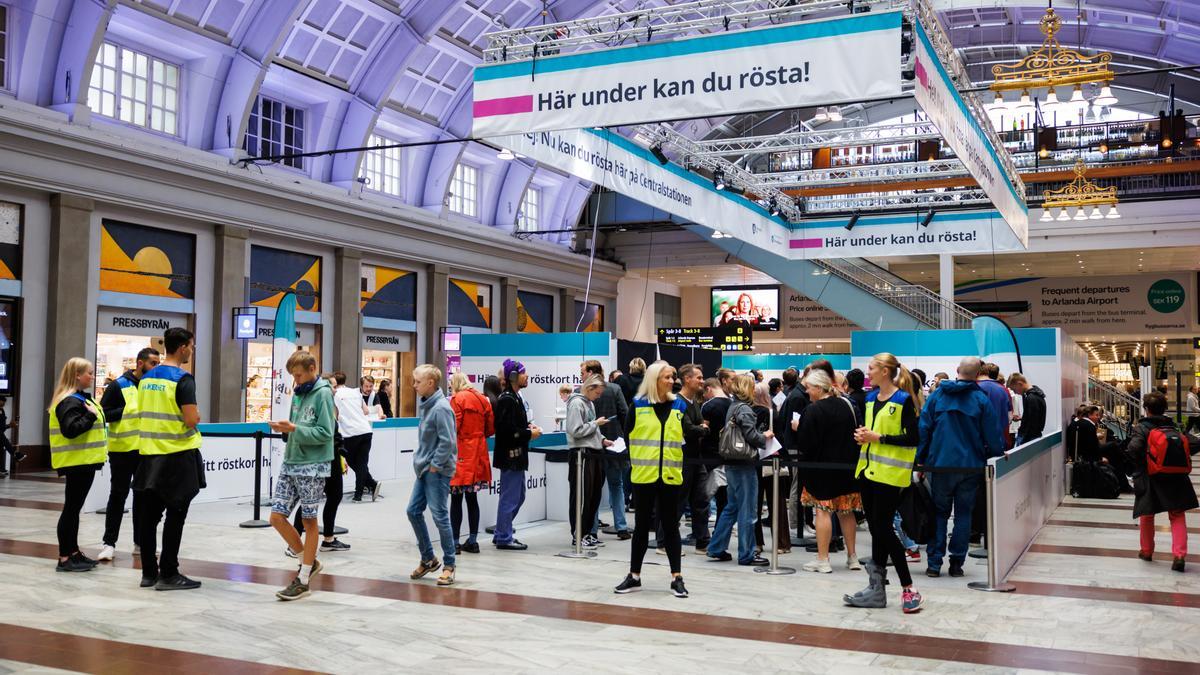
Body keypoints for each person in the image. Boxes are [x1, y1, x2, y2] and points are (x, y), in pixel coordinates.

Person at [845, 353, 924, 613]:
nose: (868, 372)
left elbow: (912, 439)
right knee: (878, 531)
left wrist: (879, 437)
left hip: (891, 476)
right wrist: (863, 436)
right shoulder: (870, 399)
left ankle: (908, 587)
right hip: (868, 472)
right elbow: (872, 433)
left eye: (871, 368)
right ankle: (876, 589)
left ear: (886, 372)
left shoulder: (903, 401)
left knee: (883, 529)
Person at [918, 356, 1003, 579]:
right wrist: (995, 456)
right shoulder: (980, 399)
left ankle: (934, 564)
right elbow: (992, 435)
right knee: (963, 514)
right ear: (978, 375)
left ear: (957, 370)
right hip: (971, 466)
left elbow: (924, 428)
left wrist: (920, 459)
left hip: (940, 465)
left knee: (939, 514)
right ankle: (957, 563)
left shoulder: (937, 395)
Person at [134, 327, 204, 591]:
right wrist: (195, 418)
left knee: (149, 519)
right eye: (192, 346)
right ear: (183, 347)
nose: (192, 350)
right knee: (175, 516)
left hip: (149, 456)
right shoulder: (183, 380)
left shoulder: (147, 378)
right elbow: (190, 419)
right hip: (176, 457)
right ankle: (169, 573)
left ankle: (149, 573)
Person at [615, 361, 689, 598]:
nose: (672, 381)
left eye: (673, 376)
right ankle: (634, 575)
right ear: (654, 379)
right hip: (644, 476)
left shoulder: (680, 405)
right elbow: (628, 437)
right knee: (641, 528)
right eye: (667, 377)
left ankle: (676, 577)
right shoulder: (637, 406)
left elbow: (687, 435)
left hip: (670, 475)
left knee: (671, 527)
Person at [267, 351, 335, 601]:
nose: (295, 381)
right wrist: (287, 429)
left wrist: (294, 428)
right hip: (291, 461)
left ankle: (304, 577)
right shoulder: (300, 393)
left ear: (311, 368)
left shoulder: (323, 394)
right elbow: (301, 426)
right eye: (293, 376)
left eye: (298, 375)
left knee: (309, 521)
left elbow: (325, 432)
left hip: (313, 466)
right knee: (276, 517)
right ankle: (308, 561)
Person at [97, 346, 159, 561]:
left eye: (157, 363)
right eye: (153, 363)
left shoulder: (153, 387)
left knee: (143, 498)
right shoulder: (118, 386)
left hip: (145, 450)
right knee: (118, 495)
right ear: (140, 363)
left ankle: (140, 543)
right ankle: (109, 543)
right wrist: (127, 411)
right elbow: (102, 414)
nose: (155, 367)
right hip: (122, 450)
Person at [795, 370, 860, 573]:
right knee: (846, 511)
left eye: (809, 388)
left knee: (822, 511)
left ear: (819, 388)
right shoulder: (847, 405)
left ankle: (823, 559)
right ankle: (852, 557)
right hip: (847, 467)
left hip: (821, 469)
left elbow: (806, 444)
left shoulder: (813, 411)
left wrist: (798, 428)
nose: (807, 392)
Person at [1125, 392, 1197, 572]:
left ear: (1146, 409)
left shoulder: (1142, 427)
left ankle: (1147, 551)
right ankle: (1179, 555)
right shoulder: (1174, 427)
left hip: (1150, 476)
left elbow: (1133, 449)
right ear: (1164, 408)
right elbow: (1194, 444)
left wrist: (1143, 461)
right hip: (1176, 476)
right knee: (1177, 514)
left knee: (1147, 514)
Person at [706, 374, 772, 567]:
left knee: (732, 507)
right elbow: (752, 436)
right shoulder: (745, 409)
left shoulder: (733, 407)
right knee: (748, 510)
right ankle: (747, 554)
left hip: (732, 462)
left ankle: (716, 547)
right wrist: (765, 436)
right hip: (744, 464)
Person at [48, 357, 107, 572]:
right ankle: (65, 557)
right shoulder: (70, 400)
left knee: (74, 509)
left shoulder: (81, 399)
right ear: (76, 376)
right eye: (89, 373)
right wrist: (90, 417)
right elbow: (70, 430)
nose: (92, 376)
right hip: (77, 462)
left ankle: (73, 552)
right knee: (71, 510)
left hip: (84, 462)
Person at [407, 364, 459, 586]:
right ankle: (428, 558)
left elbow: (448, 441)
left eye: (417, 381)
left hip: (435, 471)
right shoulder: (428, 406)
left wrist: (436, 465)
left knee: (440, 516)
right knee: (413, 511)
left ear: (430, 383)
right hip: (424, 468)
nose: (414, 385)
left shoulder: (440, 408)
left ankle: (449, 564)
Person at [289, 374, 349, 555]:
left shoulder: (328, 405)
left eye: (333, 385)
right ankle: (294, 543)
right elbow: (323, 434)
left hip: (331, 458)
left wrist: (341, 455)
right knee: (310, 501)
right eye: (330, 385)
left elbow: (334, 435)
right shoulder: (313, 403)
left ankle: (328, 539)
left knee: (333, 496)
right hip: (321, 460)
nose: (332, 388)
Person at [492, 359, 540, 550]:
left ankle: (502, 531)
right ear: (513, 376)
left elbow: (514, 426)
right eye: (523, 372)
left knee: (518, 496)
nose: (527, 375)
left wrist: (528, 428)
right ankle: (504, 535)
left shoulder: (516, 398)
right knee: (510, 498)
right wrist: (529, 434)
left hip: (517, 456)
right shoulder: (507, 399)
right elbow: (505, 431)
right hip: (510, 457)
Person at [663, 364, 709, 552]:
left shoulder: (694, 403)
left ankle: (702, 541)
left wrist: (700, 428)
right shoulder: (677, 402)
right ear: (687, 379)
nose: (702, 381)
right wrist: (701, 428)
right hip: (681, 459)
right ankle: (665, 542)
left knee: (701, 500)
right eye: (698, 377)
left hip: (696, 460)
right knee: (677, 502)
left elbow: (700, 425)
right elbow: (689, 429)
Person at [582, 360, 630, 540]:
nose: (582, 376)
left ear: (592, 372)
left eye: (583, 372)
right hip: (614, 444)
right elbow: (625, 413)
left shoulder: (584, 392)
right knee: (616, 485)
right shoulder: (614, 389)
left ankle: (592, 529)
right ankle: (622, 527)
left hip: (593, 445)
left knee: (594, 489)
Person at [566, 376, 612, 548]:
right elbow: (575, 430)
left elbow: (592, 429)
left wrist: (602, 439)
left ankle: (586, 533)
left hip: (593, 453)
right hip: (581, 455)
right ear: (590, 388)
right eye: (597, 393)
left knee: (594, 496)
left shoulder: (589, 404)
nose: (598, 397)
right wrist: (595, 423)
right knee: (582, 497)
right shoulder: (577, 404)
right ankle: (578, 534)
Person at [449, 372, 493, 554]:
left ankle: (454, 543)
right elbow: (490, 429)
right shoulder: (483, 399)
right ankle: (473, 541)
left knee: (456, 498)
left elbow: (453, 427)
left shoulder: (456, 399)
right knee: (472, 498)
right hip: (479, 452)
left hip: (461, 452)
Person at [753, 381, 788, 555]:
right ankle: (781, 543)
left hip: (753, 461)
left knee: (755, 503)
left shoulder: (748, 412)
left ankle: (756, 542)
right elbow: (781, 438)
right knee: (778, 502)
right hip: (772, 461)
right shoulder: (772, 413)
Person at [331, 372, 378, 502]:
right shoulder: (355, 392)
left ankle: (369, 486)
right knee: (362, 463)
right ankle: (364, 490)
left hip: (350, 433)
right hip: (366, 430)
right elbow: (366, 411)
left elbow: (335, 415)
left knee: (352, 461)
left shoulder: (334, 395)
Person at [1008, 374, 1047, 446]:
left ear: (1019, 384)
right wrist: (1023, 418)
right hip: (1034, 436)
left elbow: (1032, 424)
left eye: (1014, 389)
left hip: (1029, 439)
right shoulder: (1038, 395)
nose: (1015, 392)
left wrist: (1023, 440)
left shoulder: (1031, 398)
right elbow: (1034, 417)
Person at [0, 395, 25, 477]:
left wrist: (9, 425)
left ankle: (1, 469)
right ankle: (15, 454)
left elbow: (2, 428)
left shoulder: (2, 410)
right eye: (2, 401)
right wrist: (10, 425)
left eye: (4, 402)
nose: (3, 403)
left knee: (1, 446)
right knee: (2, 439)